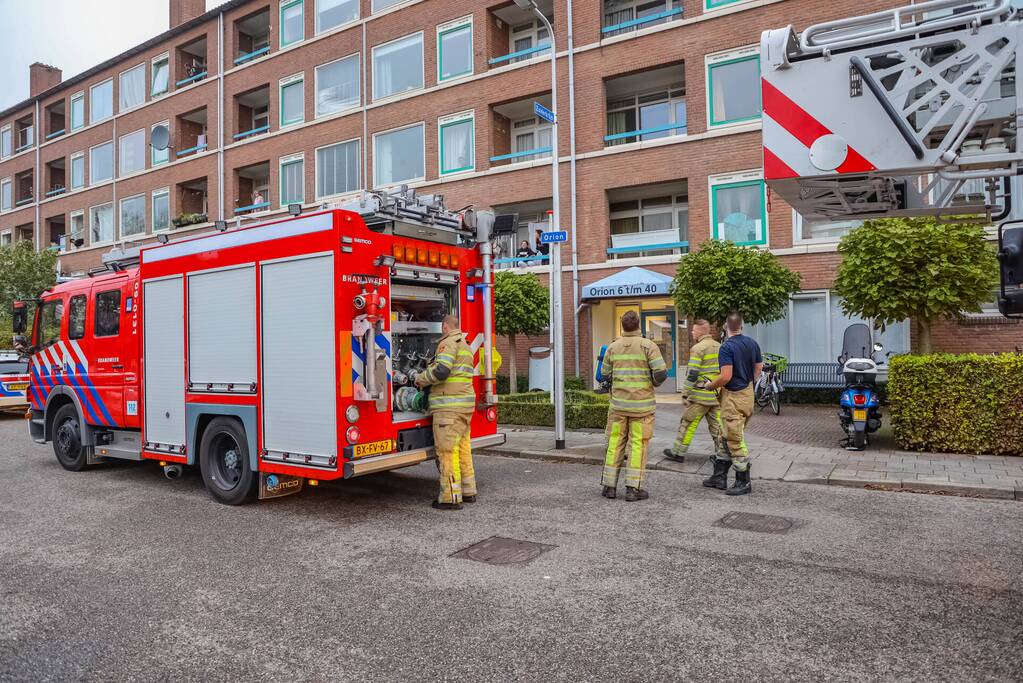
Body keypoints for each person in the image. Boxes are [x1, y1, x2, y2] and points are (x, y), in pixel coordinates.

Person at [600, 310, 668, 501]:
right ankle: (633, 488)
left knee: (614, 443)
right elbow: (661, 373)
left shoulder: (613, 347)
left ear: (622, 326)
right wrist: (653, 383)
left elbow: (604, 374)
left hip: (618, 407)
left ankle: (609, 486)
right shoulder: (649, 346)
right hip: (642, 408)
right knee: (638, 445)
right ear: (639, 325)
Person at [415, 315, 477, 510]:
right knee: (463, 448)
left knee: (447, 452)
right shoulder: (465, 344)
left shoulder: (448, 343)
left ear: (445, 327)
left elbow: (442, 371)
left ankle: (450, 497)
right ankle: (468, 491)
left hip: (448, 408)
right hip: (464, 407)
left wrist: (420, 378)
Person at [699, 312, 762, 495]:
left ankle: (744, 481)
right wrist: (748, 381)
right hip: (747, 394)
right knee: (723, 435)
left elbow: (725, 376)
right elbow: (758, 368)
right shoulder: (752, 343)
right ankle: (719, 476)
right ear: (741, 326)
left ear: (726, 327)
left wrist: (710, 385)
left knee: (734, 438)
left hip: (732, 397)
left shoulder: (726, 347)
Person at [663, 319, 727, 463]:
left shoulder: (698, 348)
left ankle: (678, 452)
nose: (691, 332)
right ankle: (722, 455)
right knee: (717, 426)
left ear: (699, 331)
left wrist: (685, 392)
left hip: (699, 396)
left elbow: (693, 373)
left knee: (688, 423)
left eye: (693, 330)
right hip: (715, 395)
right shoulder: (719, 347)